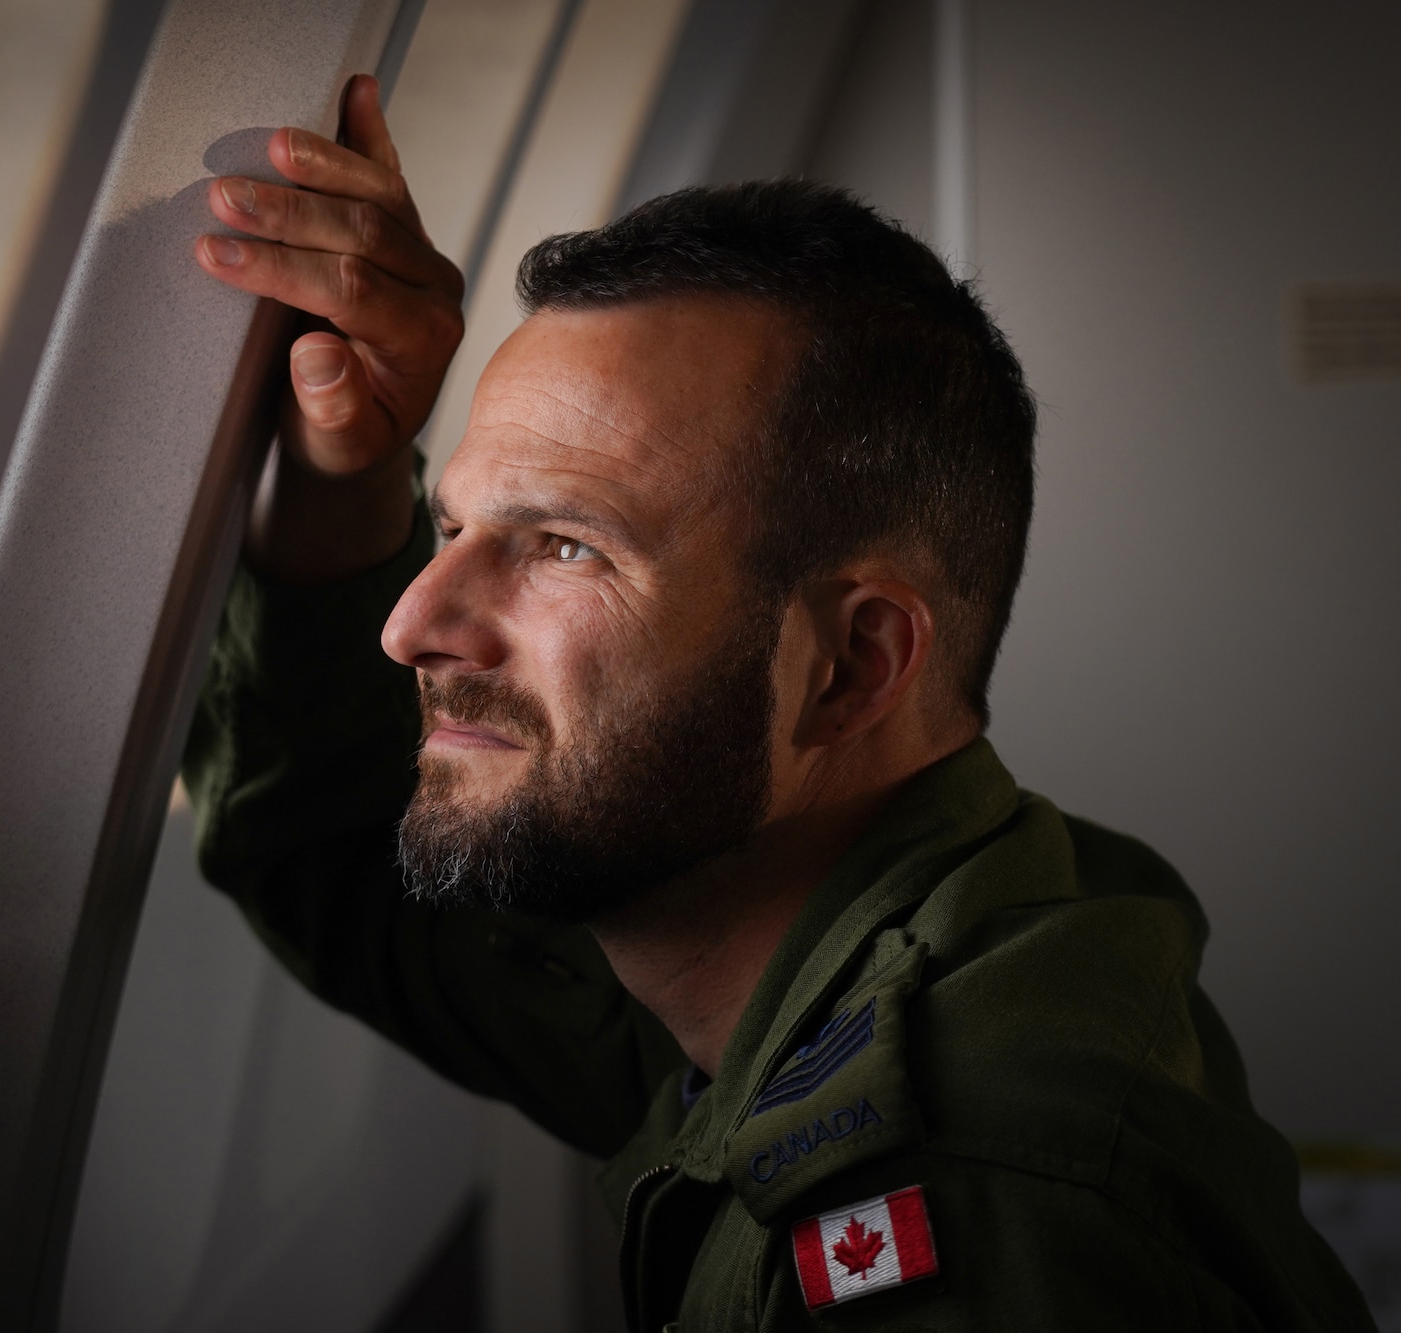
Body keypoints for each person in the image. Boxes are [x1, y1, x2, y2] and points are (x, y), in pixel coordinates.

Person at [185, 74, 1373, 1330]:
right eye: (454, 524)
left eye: (566, 548)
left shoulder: (966, 1199)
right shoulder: (786, 936)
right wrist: (337, 476)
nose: (408, 622)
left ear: (853, 666)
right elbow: (345, 863)